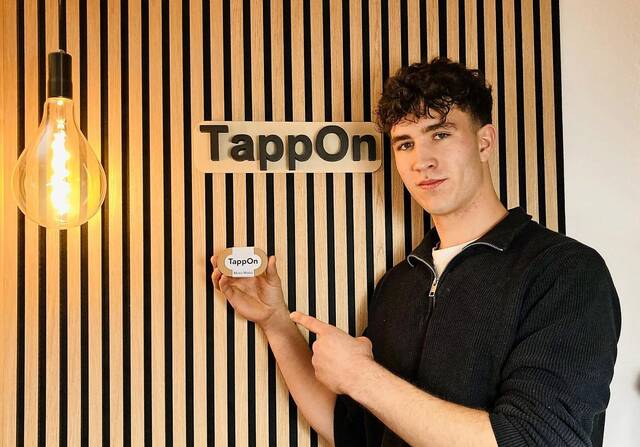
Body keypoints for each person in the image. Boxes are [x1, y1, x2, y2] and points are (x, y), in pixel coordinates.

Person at [211, 57, 621, 446]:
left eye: (440, 134)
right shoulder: (399, 284)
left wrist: (362, 377)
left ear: (484, 142)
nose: (422, 160)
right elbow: (356, 435)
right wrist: (276, 323)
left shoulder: (565, 272)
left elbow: (539, 440)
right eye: (405, 144)